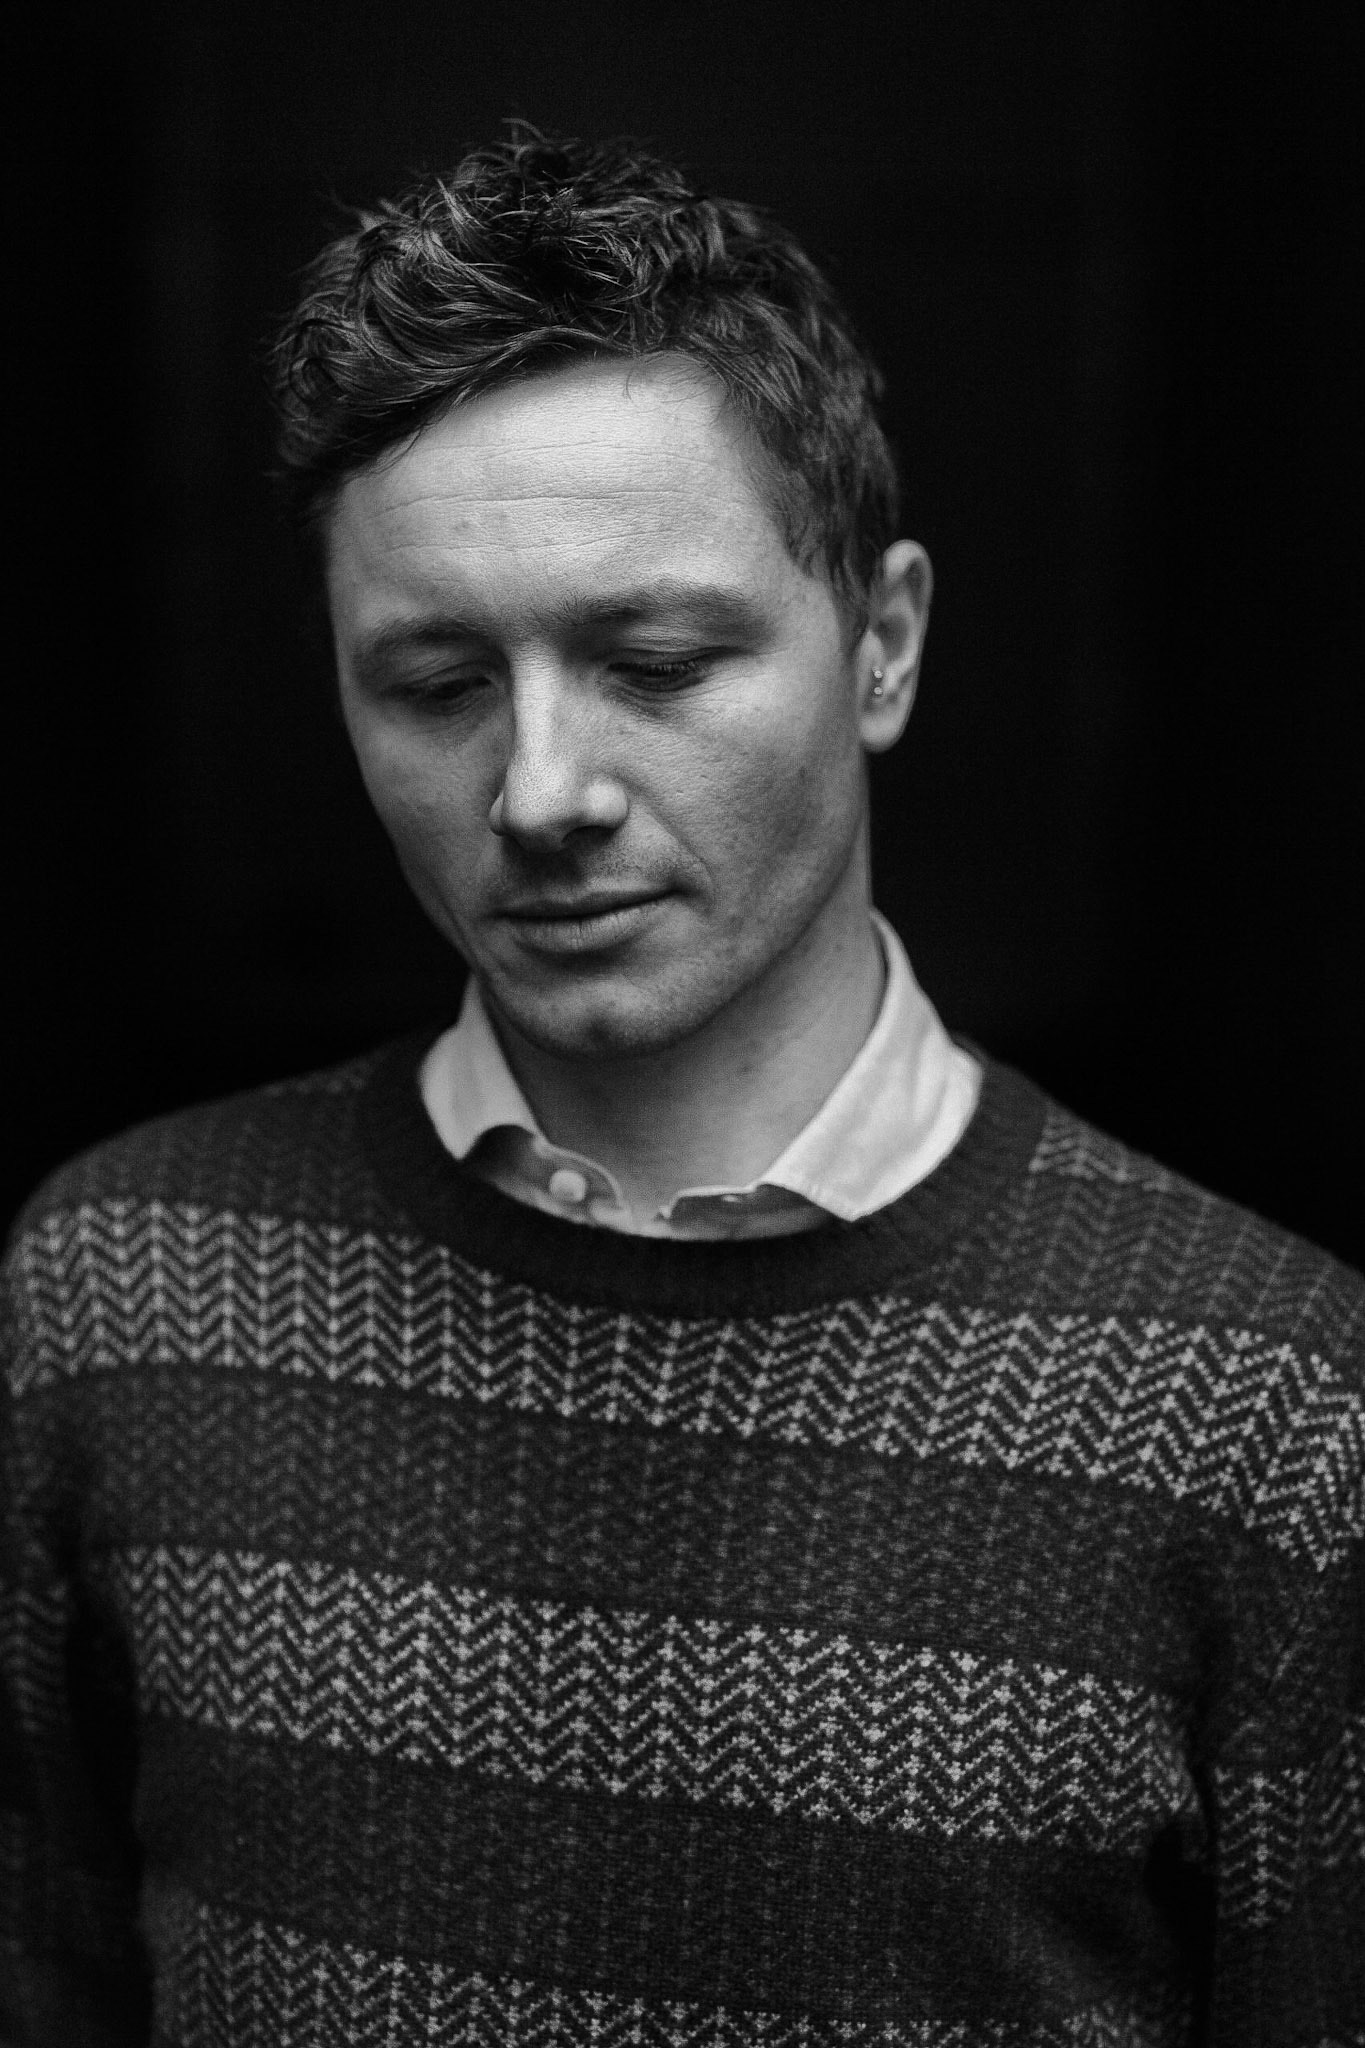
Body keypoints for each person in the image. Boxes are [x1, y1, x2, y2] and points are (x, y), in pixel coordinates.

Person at [2, 125, 1361, 2048]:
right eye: (435, 685)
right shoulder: (121, 1290)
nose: (540, 792)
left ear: (881, 645)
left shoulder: (1269, 1410)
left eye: (652, 660)